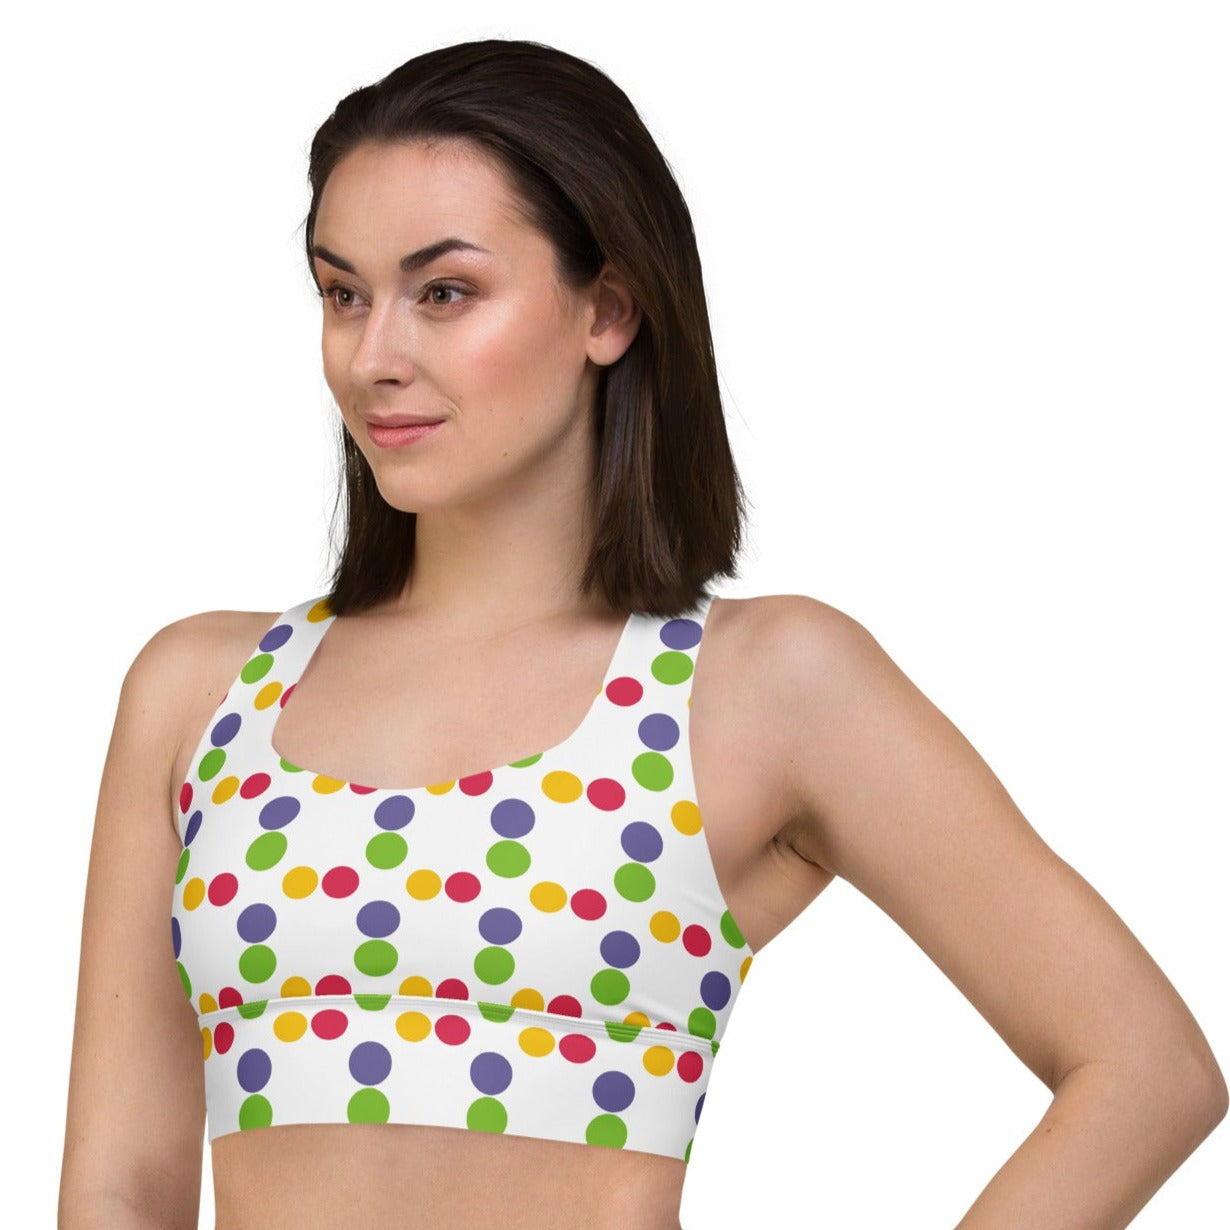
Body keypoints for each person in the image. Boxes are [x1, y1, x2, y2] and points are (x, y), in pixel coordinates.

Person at [58, 37, 1225, 1230]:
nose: (374, 357)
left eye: (444, 293)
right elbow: (117, 1191)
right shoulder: (202, 693)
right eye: (343, 294)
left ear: (608, 309)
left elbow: (1146, 1072)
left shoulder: (761, 686)